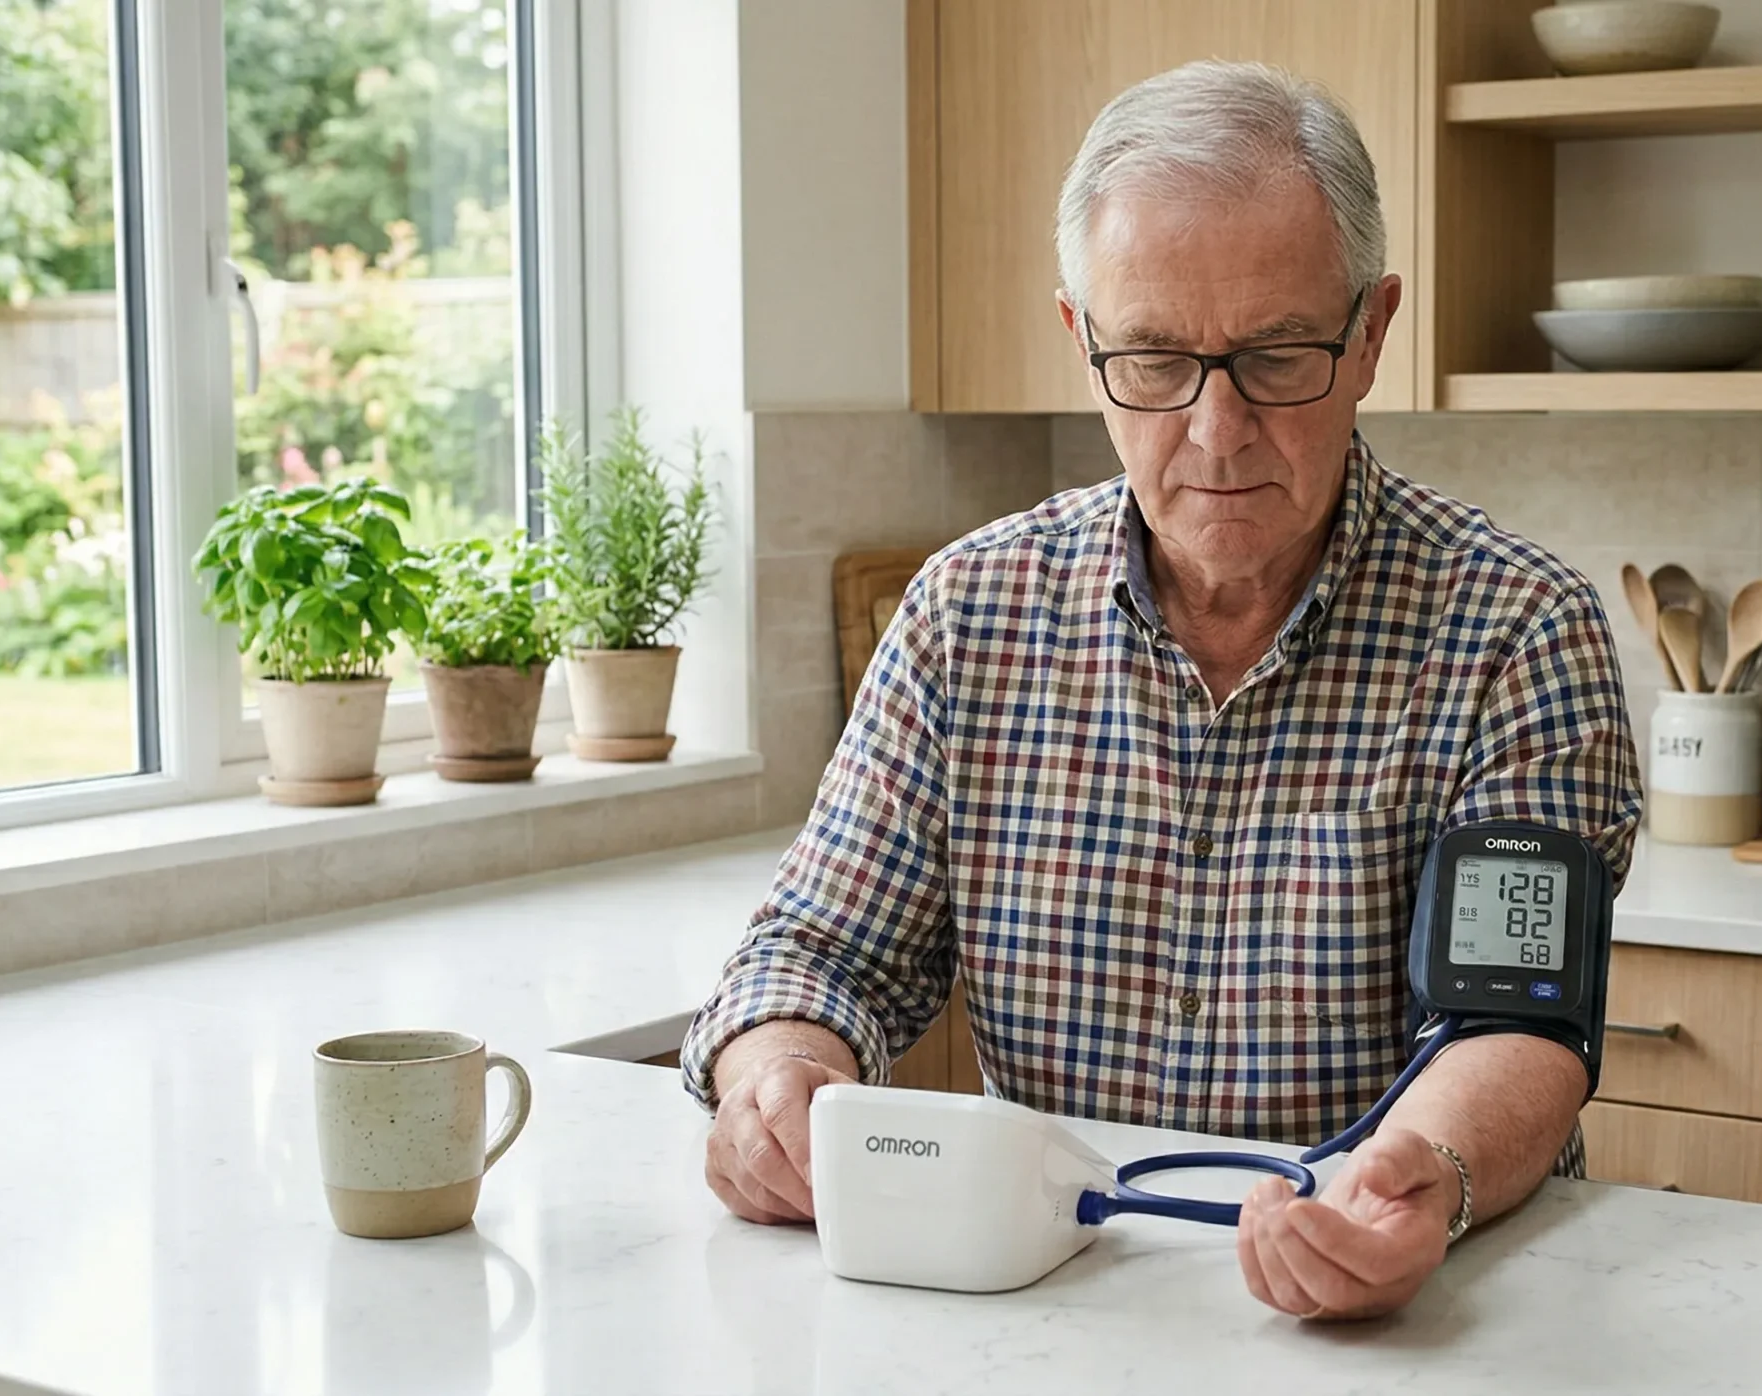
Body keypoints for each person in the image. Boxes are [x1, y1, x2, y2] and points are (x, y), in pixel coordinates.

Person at [682, 59, 1639, 1320]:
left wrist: (1425, 1176)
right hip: (1058, 1305)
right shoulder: (971, 615)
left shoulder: (1517, 630)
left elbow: (1511, 1027)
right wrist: (778, 1073)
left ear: (1371, 333)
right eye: (1152, 359)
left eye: (1279, 355)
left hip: (1407, 1314)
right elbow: (815, 951)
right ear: (1083, 342)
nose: (1216, 428)